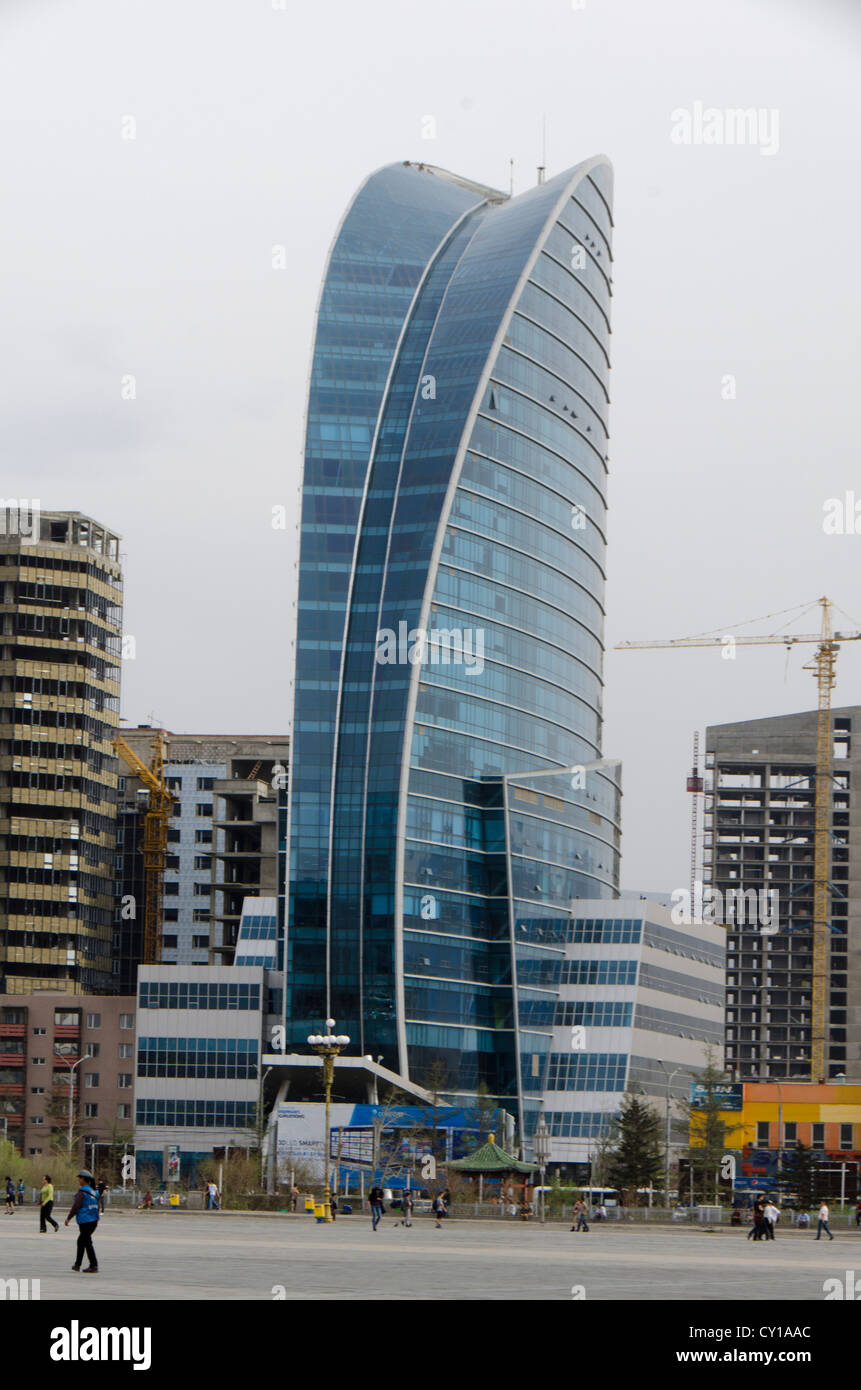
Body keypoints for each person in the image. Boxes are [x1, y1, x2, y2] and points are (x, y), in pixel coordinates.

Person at [64, 1170, 100, 1273]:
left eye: (79, 1178)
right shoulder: (94, 1191)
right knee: (82, 1241)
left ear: (84, 1179)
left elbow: (76, 1206)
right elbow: (98, 1206)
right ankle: (77, 1265)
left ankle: (93, 1265)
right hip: (93, 1221)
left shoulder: (82, 1192)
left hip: (85, 1221)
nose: (78, 1180)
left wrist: (68, 1218)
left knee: (86, 1242)